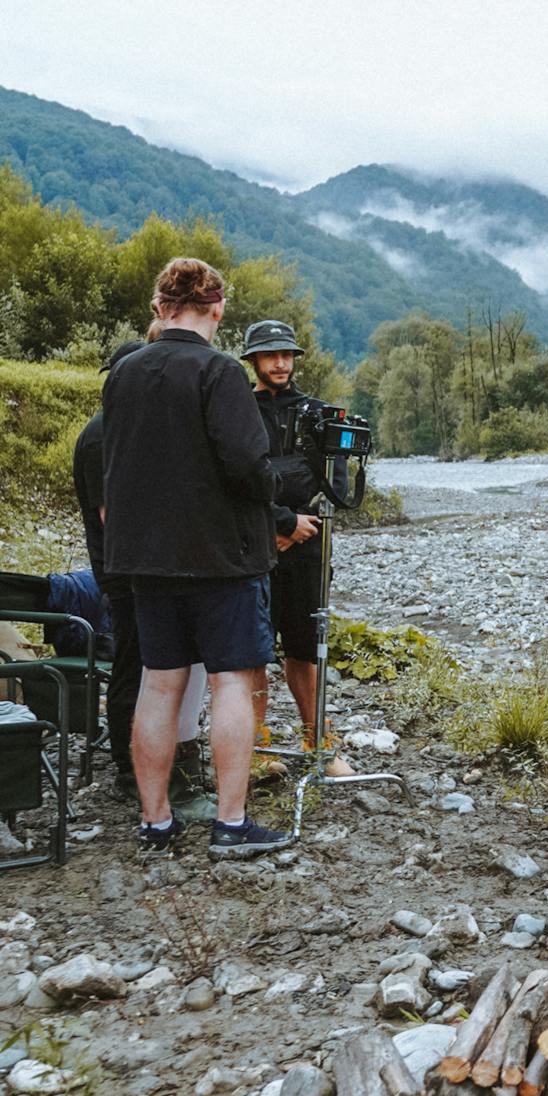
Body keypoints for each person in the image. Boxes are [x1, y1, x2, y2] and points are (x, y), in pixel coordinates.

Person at [102, 257, 293, 857]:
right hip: (219, 558)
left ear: (159, 308)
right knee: (230, 681)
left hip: (146, 560)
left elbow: (118, 463)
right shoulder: (219, 373)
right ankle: (231, 823)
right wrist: (274, 491)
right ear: (218, 308)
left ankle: (155, 822)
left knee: (159, 685)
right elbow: (245, 466)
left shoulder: (123, 375)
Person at [240, 319, 355, 778]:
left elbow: (337, 482)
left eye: (286, 354)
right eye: (271, 355)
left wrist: (296, 521)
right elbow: (236, 480)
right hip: (252, 546)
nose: (281, 362)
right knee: (252, 653)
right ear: (254, 361)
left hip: (310, 547)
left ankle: (319, 744)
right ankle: (257, 749)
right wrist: (280, 522)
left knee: (305, 650)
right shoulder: (238, 412)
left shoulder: (320, 414)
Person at [72, 339, 146, 792]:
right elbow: (111, 514)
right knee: (131, 663)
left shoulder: (117, 428)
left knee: (140, 661)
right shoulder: (102, 435)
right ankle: (125, 764)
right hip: (123, 569)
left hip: (128, 565)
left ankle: (140, 757)